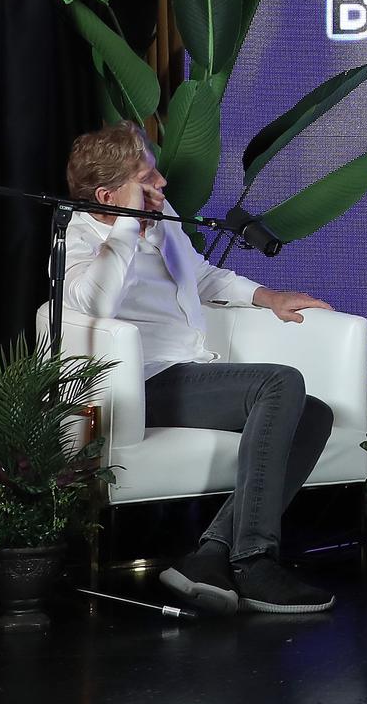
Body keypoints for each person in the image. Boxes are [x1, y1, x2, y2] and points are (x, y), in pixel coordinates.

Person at [61, 122, 339, 615]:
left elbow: (201, 274)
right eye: (146, 178)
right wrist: (125, 227)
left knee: (314, 414)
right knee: (280, 382)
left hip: (189, 370)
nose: (162, 183)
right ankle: (254, 560)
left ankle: (210, 556)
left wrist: (268, 296)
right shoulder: (79, 240)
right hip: (140, 383)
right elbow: (96, 304)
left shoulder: (161, 213)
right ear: (107, 195)